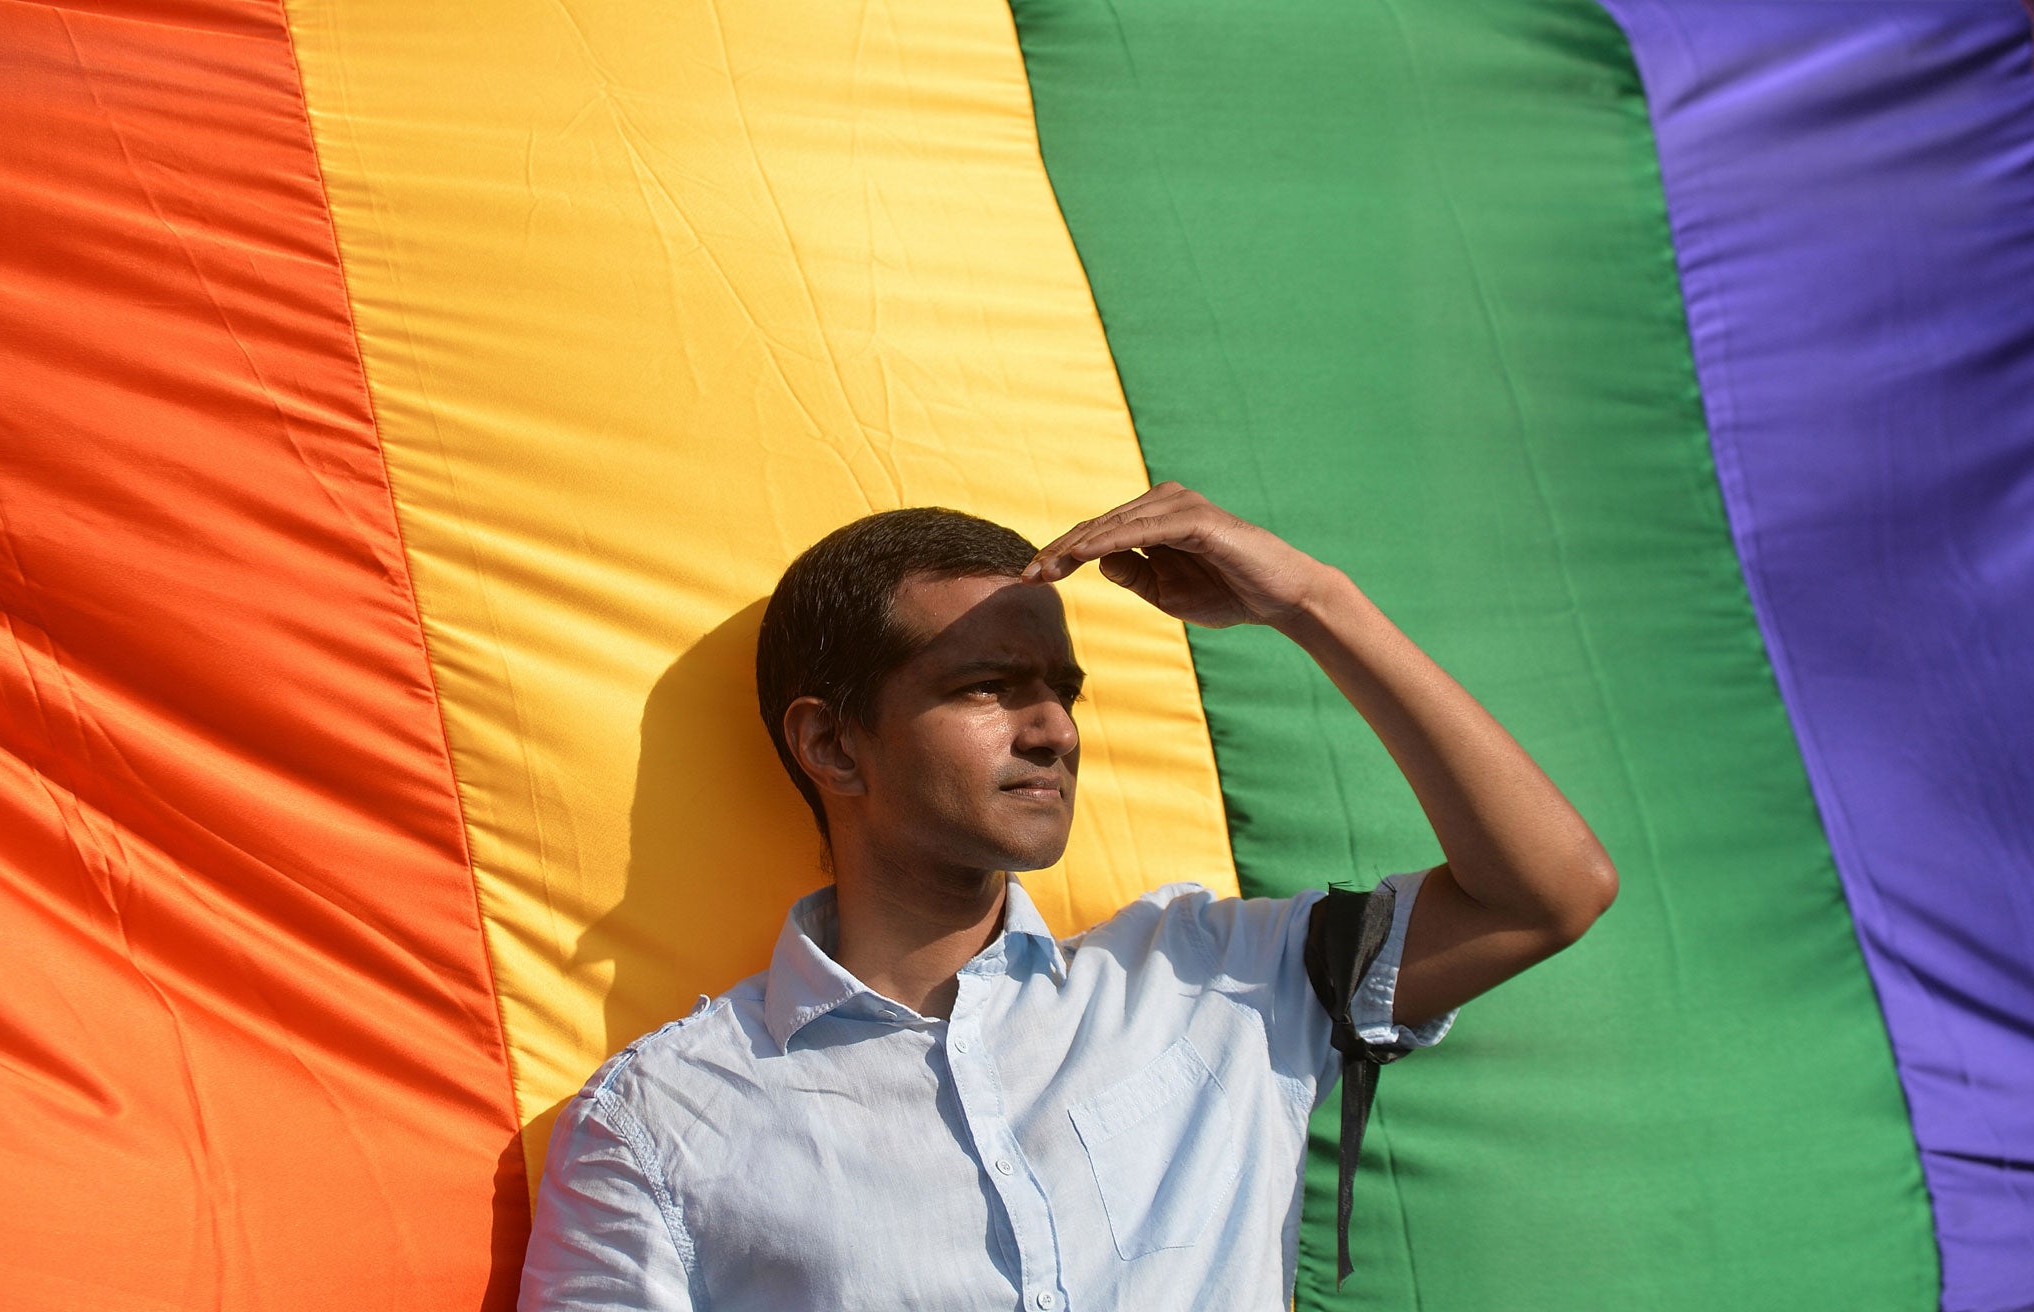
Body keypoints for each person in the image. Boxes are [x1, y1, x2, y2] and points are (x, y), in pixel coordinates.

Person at [519, 483, 1617, 1311]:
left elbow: (1547, 890)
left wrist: (1311, 602)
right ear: (832, 744)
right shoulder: (657, 1123)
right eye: (986, 686)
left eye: (1062, 690)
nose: (1051, 729)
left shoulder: (1216, 979)